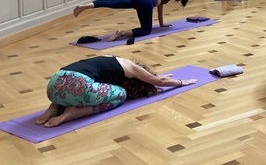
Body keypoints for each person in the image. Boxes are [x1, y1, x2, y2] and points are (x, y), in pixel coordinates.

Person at [35, 55, 198, 128]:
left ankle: (52, 109)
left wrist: (156, 75)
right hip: (79, 87)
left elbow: (155, 78)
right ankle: (70, 114)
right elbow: (159, 82)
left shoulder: (113, 60)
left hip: (53, 85)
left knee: (69, 87)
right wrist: (181, 82)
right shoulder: (132, 68)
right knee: (120, 94)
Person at [73, 0, 218, 41]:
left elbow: (160, 6)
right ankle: (121, 33)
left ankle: (84, 6)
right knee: (146, 30)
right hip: (145, 2)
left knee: (112, 3)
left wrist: (162, 24)